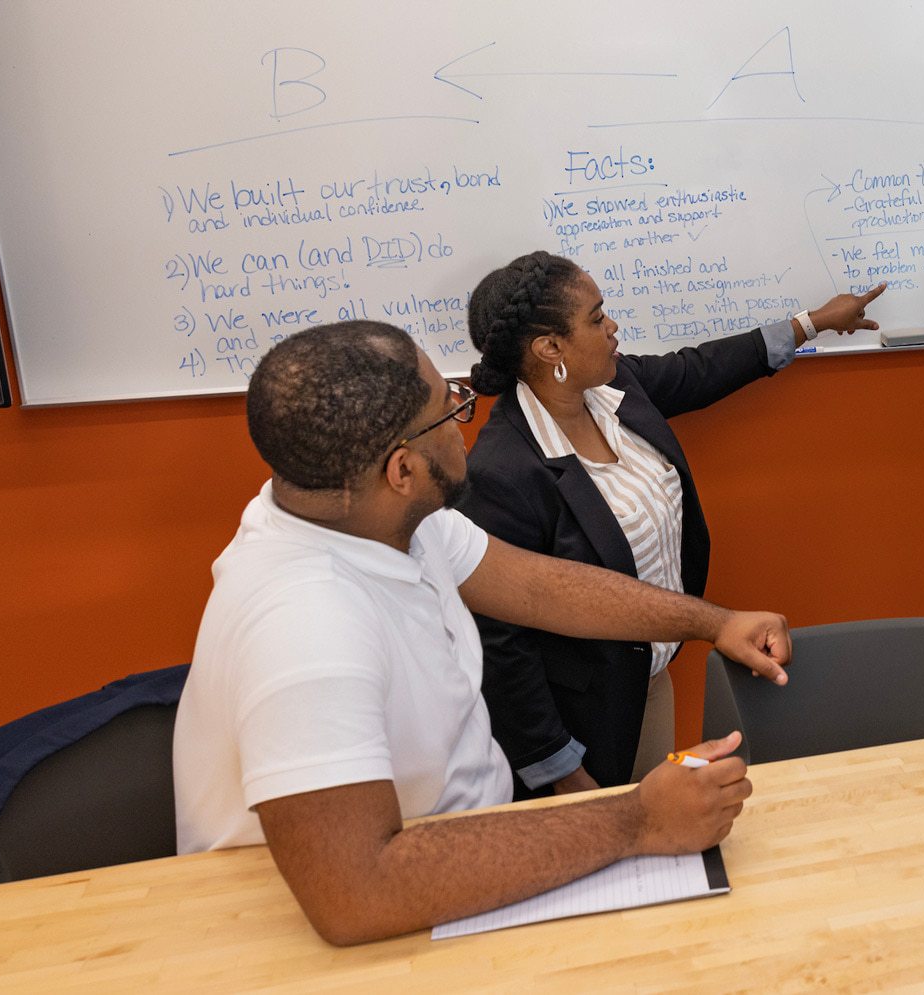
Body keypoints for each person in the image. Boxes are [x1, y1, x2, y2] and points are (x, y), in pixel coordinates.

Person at [173, 321, 792, 946]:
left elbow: (538, 588)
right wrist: (638, 818)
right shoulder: (305, 627)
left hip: (458, 858)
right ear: (402, 468)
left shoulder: (378, 514)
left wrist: (713, 621)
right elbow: (355, 895)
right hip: (368, 926)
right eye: (451, 408)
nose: (466, 419)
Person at [460, 251, 885, 793]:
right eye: (596, 318)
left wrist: (814, 322)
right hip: (572, 723)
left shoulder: (618, 389)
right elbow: (500, 644)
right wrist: (559, 770)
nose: (612, 326)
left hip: (649, 682)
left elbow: (707, 367)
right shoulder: (503, 471)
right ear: (550, 348)